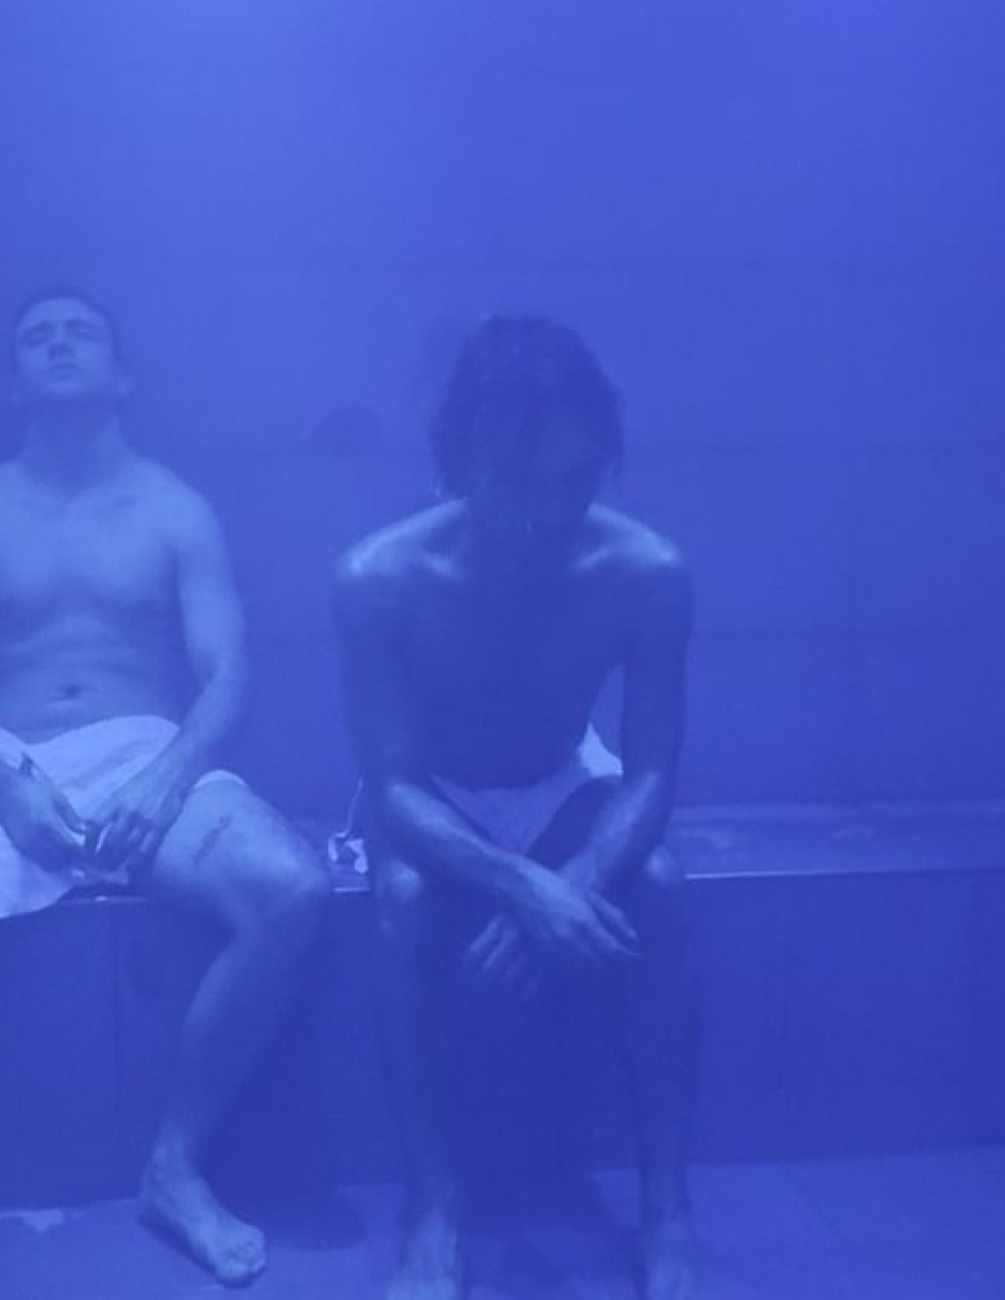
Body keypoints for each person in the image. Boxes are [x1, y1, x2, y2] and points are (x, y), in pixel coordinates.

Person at [0, 288, 330, 1299]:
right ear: (14, 385)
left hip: (146, 748)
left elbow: (228, 675)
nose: (57, 344)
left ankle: (175, 1167)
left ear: (121, 374)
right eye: (36, 337)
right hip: (3, 756)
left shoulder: (176, 510)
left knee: (290, 889)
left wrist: (167, 777)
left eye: (79, 332)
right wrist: (4, 787)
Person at [332, 313, 700, 1300]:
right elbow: (391, 786)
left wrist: (577, 876)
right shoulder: (380, 579)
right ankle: (434, 1206)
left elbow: (652, 776)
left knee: (661, 888)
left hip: (559, 782)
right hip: (433, 790)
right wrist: (525, 890)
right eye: (515, 481)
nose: (547, 512)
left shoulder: (646, 574)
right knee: (403, 903)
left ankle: (667, 1206)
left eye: (574, 481)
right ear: (458, 461)